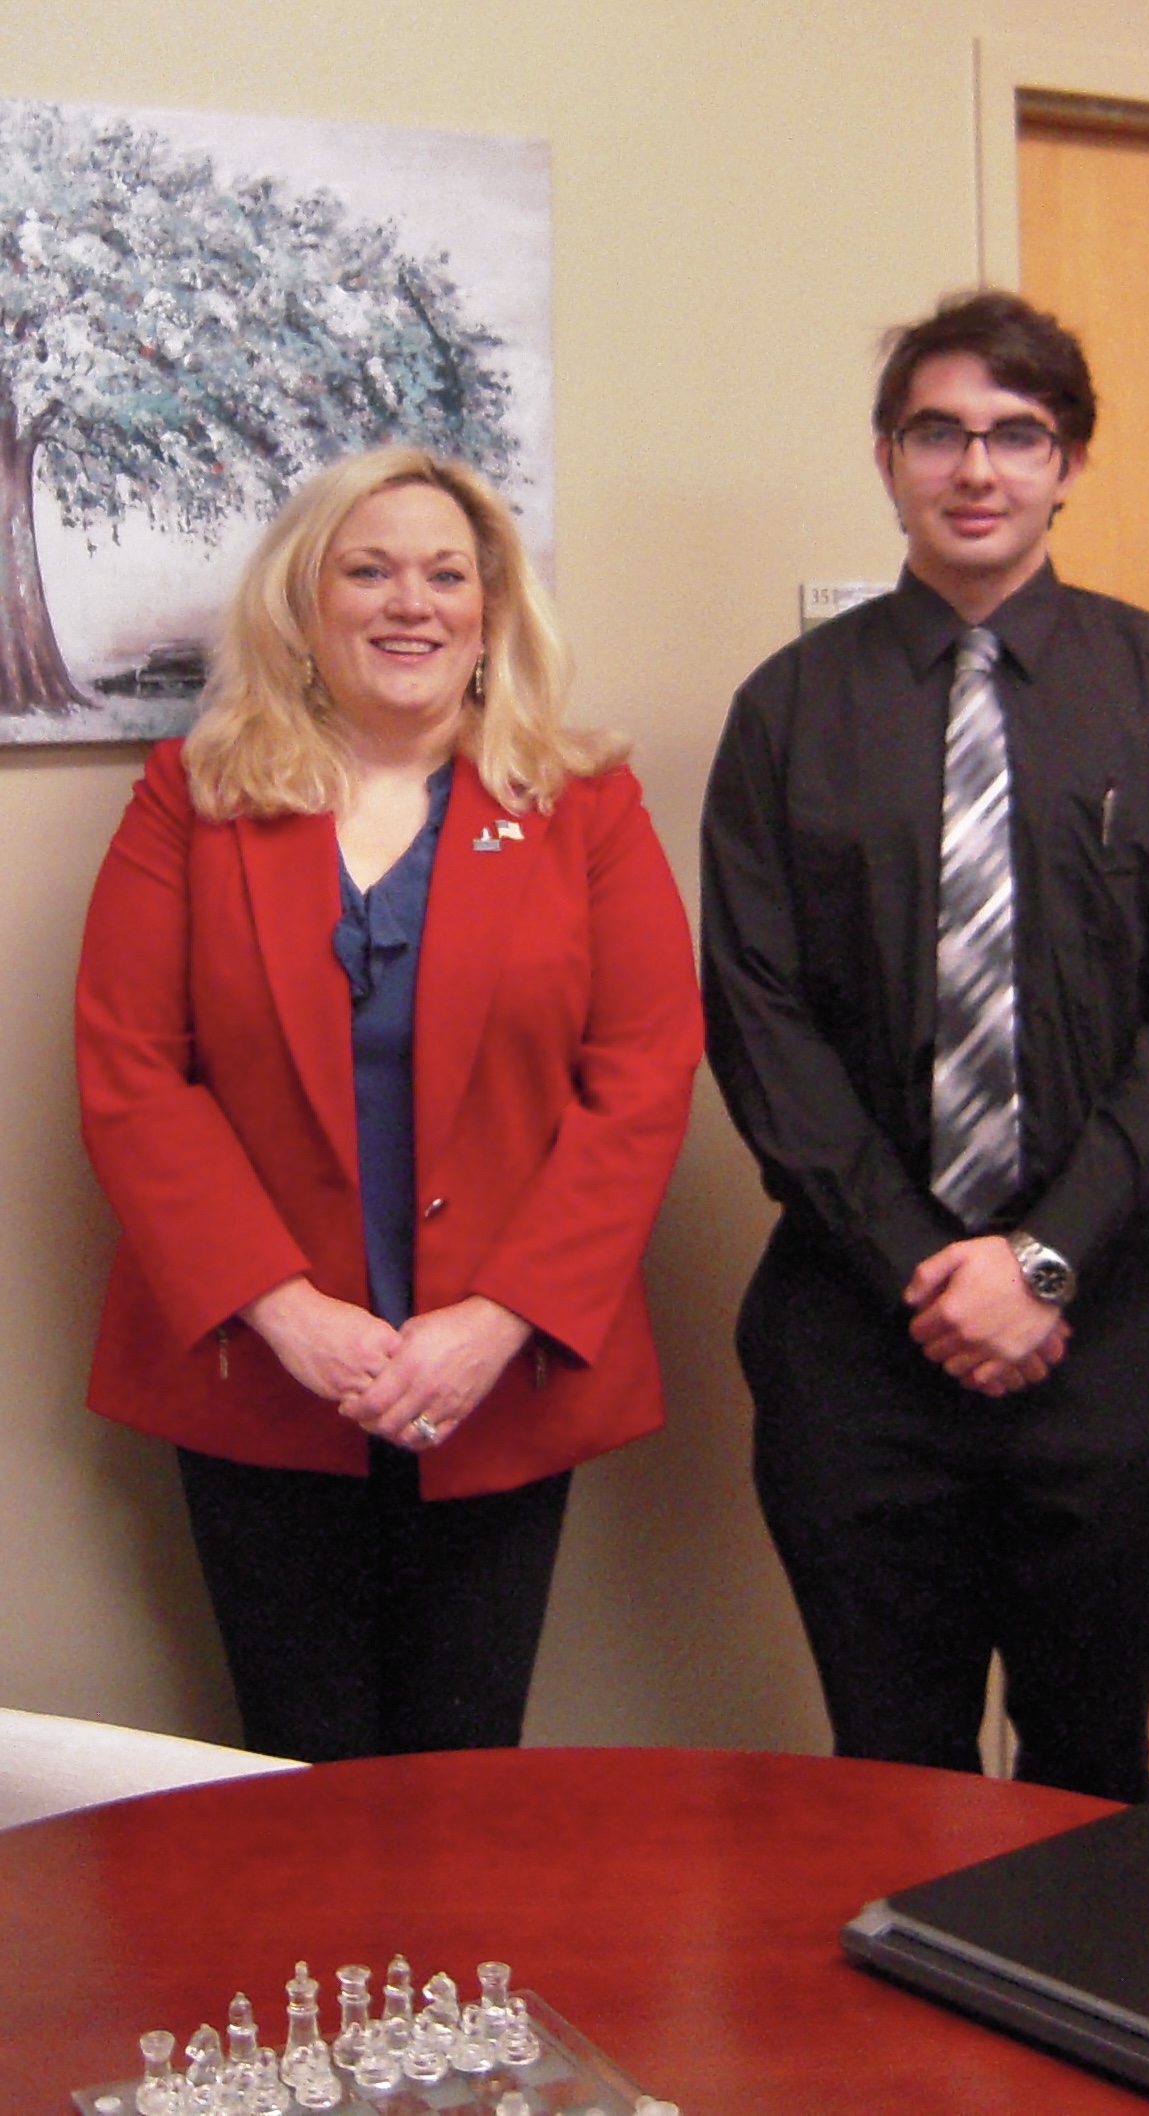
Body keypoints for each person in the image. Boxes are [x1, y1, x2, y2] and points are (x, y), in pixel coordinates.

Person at [701, 290, 1149, 1803]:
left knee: (1090, 1763)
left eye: (1015, 435)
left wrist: (1037, 1265)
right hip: (853, 1328)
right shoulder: (788, 712)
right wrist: (927, 1267)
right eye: (937, 433)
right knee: (887, 1773)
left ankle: (1087, 2041)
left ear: (1068, 463)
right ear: (886, 459)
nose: (976, 469)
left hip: (1116, 1320)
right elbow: (758, 1020)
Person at [78, 445, 703, 1763]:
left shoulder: (581, 802)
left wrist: (494, 1318)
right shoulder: (190, 796)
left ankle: (447, 1986)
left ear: (489, 608)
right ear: (307, 604)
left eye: (443, 574)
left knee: (462, 1774)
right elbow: (134, 1074)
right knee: (298, 1777)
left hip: (495, 1376)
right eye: (367, 571)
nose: (408, 603)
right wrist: (287, 1310)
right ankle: (323, 1987)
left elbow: (643, 1078)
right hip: (264, 1368)